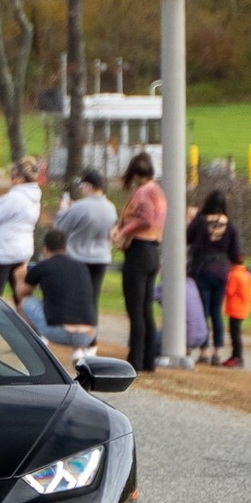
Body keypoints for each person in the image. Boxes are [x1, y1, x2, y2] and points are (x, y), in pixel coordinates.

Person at [110, 152, 164, 372]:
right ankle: (148, 360)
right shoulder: (158, 191)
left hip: (138, 252)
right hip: (153, 252)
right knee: (146, 309)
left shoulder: (143, 192)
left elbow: (146, 218)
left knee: (135, 309)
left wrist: (123, 231)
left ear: (135, 173)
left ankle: (135, 358)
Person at [14, 229, 98, 360]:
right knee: (74, 305)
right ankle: (78, 352)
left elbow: (22, 294)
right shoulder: (81, 267)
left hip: (58, 332)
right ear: (66, 248)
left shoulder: (43, 266)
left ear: (45, 249)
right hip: (88, 334)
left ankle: (37, 344)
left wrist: (19, 277)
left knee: (25, 302)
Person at [186, 189, 242, 367]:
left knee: (203, 312)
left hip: (202, 270)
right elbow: (236, 253)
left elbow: (187, 238)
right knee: (216, 312)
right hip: (221, 272)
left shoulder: (200, 222)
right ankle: (217, 352)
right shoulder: (230, 226)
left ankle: (204, 351)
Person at [0, 157, 41, 297]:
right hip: (22, 251)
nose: (11, 179)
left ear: (21, 178)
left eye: (13, 176)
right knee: (20, 296)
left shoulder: (14, 197)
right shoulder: (33, 197)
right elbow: (10, 213)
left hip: (3, 252)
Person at [53, 170, 117, 303]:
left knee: (76, 298)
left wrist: (62, 210)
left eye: (82, 186)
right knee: (92, 298)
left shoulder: (80, 206)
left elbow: (59, 228)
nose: (82, 190)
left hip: (78, 258)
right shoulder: (111, 207)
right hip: (101, 258)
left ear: (89, 186)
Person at [226, 261, 250, 369]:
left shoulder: (234, 275)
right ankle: (235, 356)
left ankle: (237, 357)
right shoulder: (245, 274)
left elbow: (230, 291)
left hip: (235, 308)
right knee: (236, 333)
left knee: (235, 334)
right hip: (243, 307)